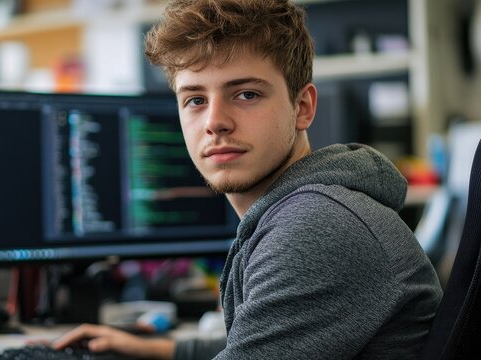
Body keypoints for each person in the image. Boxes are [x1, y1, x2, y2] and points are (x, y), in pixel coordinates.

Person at [53, 0, 443, 358]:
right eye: (195, 100)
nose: (215, 122)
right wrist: (155, 349)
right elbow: (258, 340)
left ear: (302, 107)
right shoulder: (305, 210)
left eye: (246, 94)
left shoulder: (318, 227)